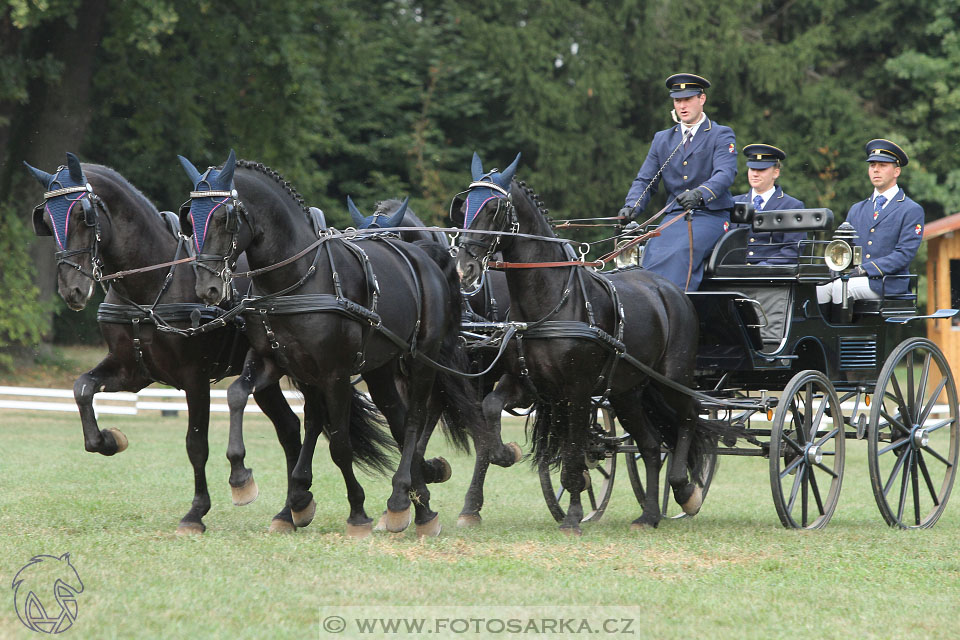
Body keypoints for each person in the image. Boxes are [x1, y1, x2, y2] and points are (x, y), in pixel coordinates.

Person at [619, 73, 737, 291]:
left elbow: (726, 172)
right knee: (652, 250)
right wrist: (632, 206)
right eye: (677, 100)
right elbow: (646, 179)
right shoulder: (662, 138)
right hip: (674, 218)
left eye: (688, 99)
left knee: (682, 251)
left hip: (711, 216)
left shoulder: (720, 134)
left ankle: (677, 312)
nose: (682, 106)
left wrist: (701, 193)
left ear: (702, 99)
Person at [816, 139, 923, 306]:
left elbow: (904, 255)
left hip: (888, 282)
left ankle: (843, 333)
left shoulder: (910, 209)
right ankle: (819, 333)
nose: (876, 170)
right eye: (872, 165)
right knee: (818, 288)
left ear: (896, 171)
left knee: (840, 288)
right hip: (852, 278)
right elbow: (844, 248)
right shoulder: (857, 209)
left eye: (882, 165)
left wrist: (866, 269)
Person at [733, 144, 805, 265]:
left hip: (771, 276)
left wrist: (764, 267)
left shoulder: (791, 206)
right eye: (752, 169)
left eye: (761, 170)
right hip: (732, 273)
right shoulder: (734, 203)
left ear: (776, 173)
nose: (755, 174)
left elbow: (792, 249)